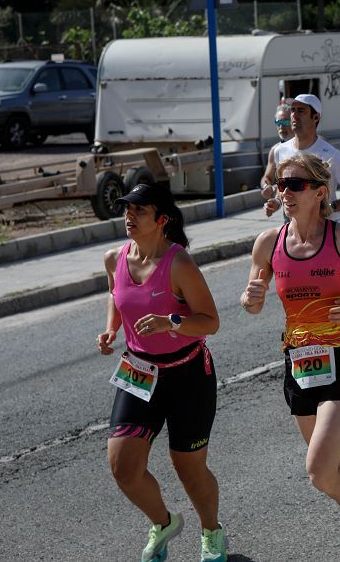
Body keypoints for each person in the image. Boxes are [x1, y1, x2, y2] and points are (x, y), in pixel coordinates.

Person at [240, 153, 340, 561]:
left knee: (320, 471)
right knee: (336, 474)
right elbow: (252, 301)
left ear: (320, 192)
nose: (284, 192)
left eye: (295, 184)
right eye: (280, 184)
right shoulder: (267, 243)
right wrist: (250, 298)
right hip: (299, 367)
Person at [97, 183, 226, 562]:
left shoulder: (179, 263)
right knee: (123, 466)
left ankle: (211, 531)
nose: (129, 216)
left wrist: (171, 322)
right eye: (127, 209)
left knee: (188, 468)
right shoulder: (114, 257)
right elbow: (114, 294)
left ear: (162, 219)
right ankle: (163, 522)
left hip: (188, 375)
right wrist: (111, 328)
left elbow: (211, 322)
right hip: (139, 372)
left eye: (139, 210)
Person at [260, 94, 340, 222]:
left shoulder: (331, 155)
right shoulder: (280, 151)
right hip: (295, 230)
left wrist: (330, 207)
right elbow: (285, 189)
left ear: (316, 117)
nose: (294, 115)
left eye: (301, 111)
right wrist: (276, 202)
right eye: (293, 110)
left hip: (328, 228)